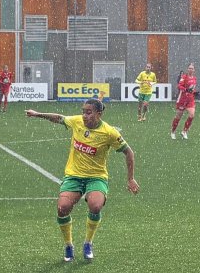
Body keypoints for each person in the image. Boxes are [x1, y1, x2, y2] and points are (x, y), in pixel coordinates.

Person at [25, 99, 140, 262]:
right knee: (62, 208)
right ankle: (68, 245)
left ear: (99, 114)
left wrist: (130, 179)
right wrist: (38, 115)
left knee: (95, 205)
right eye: (83, 111)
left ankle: (88, 243)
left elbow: (129, 152)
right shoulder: (77, 121)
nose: (84, 115)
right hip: (74, 175)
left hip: (96, 176)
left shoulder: (109, 132)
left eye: (89, 112)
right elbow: (59, 118)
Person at [170, 63, 197, 140]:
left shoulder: (194, 78)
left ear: (194, 70)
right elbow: (179, 86)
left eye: (192, 68)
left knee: (192, 115)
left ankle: (184, 131)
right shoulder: (184, 77)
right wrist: (186, 89)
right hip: (182, 99)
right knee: (178, 116)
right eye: (189, 68)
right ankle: (173, 131)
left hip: (190, 99)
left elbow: (192, 88)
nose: (190, 69)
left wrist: (194, 92)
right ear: (187, 69)